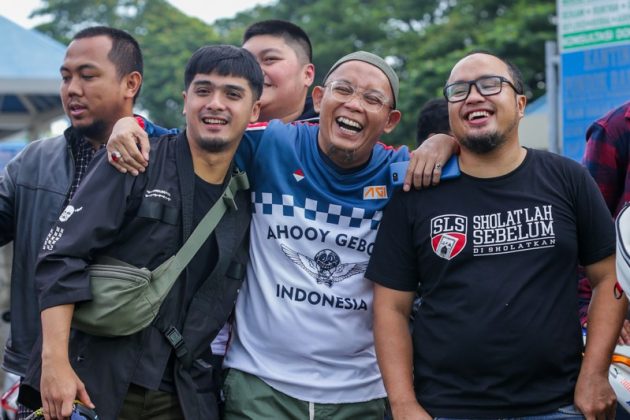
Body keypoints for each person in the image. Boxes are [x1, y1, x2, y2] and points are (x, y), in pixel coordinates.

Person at [106, 49, 462, 418]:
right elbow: (186, 140)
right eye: (344, 90)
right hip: (259, 386)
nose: (355, 104)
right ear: (319, 98)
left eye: (372, 99)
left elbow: (479, 165)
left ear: (390, 120)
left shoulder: (400, 172)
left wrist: (446, 142)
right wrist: (130, 124)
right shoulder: (273, 143)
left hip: (360, 394)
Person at [366, 51, 627, 419]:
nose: (473, 96)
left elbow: (608, 277)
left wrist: (595, 373)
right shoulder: (417, 191)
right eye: (459, 91)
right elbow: (390, 307)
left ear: (520, 105)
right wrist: (403, 404)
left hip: (559, 405)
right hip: (447, 409)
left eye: (490, 85)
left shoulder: (568, 178)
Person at [21, 44, 262, 420]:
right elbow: (59, 258)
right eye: (203, 90)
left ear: (255, 110)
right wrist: (55, 365)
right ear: (185, 100)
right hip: (90, 381)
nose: (215, 104)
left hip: (183, 394)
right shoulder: (134, 158)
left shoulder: (245, 198)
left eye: (233, 94)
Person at [0, 26, 143, 419]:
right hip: (37, 368)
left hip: (130, 377)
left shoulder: (162, 161)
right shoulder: (33, 162)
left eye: (88, 75)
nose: (72, 89)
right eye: (65, 77)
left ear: (130, 83)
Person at [242, 19, 317, 123]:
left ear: (307, 75)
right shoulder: (221, 129)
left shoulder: (330, 130)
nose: (254, 70)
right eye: (247, 61)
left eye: (269, 59)